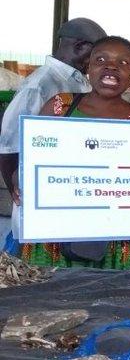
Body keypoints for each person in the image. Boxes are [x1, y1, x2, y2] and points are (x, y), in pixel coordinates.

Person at [11, 36, 130, 269]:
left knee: (116, 292)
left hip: (118, 238)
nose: (111, 66)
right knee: (51, 289)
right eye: (101, 59)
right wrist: (19, 177)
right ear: (88, 68)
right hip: (57, 232)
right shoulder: (59, 107)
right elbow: (31, 159)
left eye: (123, 63)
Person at [0, 17, 106, 250]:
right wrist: (18, 193)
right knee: (32, 263)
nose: (101, 64)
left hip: (68, 196)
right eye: (98, 56)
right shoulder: (41, 85)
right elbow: (9, 148)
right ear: (80, 47)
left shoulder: (79, 82)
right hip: (40, 204)